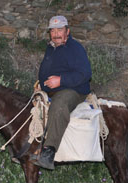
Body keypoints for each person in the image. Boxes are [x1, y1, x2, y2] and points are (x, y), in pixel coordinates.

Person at [34, 15, 92, 170]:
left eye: (60, 30)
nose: (56, 34)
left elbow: (85, 74)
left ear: (67, 31)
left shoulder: (75, 48)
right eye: (53, 31)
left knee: (59, 105)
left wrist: (60, 80)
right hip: (52, 90)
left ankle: (49, 151)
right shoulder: (51, 48)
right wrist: (42, 84)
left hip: (74, 90)